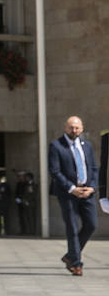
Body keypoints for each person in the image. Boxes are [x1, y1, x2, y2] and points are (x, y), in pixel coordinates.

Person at [49, 116, 98, 275]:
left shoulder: (87, 146)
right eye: (71, 127)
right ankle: (76, 263)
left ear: (82, 128)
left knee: (91, 224)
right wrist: (71, 188)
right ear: (65, 127)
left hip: (87, 192)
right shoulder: (56, 146)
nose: (74, 130)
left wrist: (92, 187)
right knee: (72, 227)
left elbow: (94, 168)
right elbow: (55, 171)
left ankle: (70, 256)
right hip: (68, 193)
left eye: (77, 127)